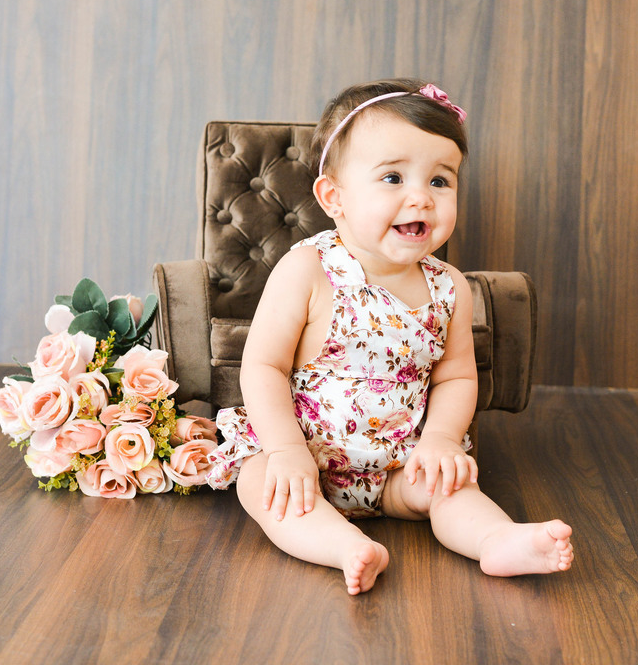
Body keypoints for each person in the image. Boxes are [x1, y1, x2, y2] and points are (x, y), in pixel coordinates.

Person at [206, 78, 573, 594]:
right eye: (394, 177)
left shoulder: (450, 288)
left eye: (441, 182)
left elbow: (456, 376)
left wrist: (441, 440)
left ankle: (498, 540)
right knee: (261, 484)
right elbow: (264, 366)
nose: (421, 198)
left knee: (450, 487)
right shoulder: (310, 269)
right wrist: (287, 450)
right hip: (304, 457)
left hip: (400, 461)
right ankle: (345, 547)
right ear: (334, 197)